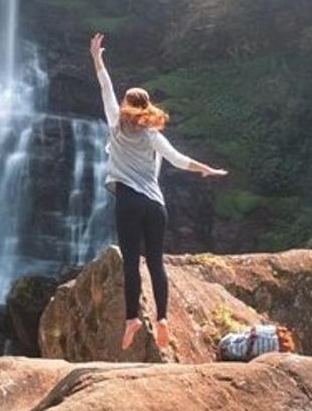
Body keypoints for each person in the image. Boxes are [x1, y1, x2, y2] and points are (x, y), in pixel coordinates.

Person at [89, 32, 228, 351]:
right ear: (147, 106)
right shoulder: (151, 135)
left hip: (128, 201)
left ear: (126, 105)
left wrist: (97, 58)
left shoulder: (115, 124)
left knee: (130, 262)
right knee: (155, 262)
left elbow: (104, 87)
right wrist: (207, 168)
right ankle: (163, 318)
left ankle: (132, 320)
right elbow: (179, 160)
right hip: (155, 204)